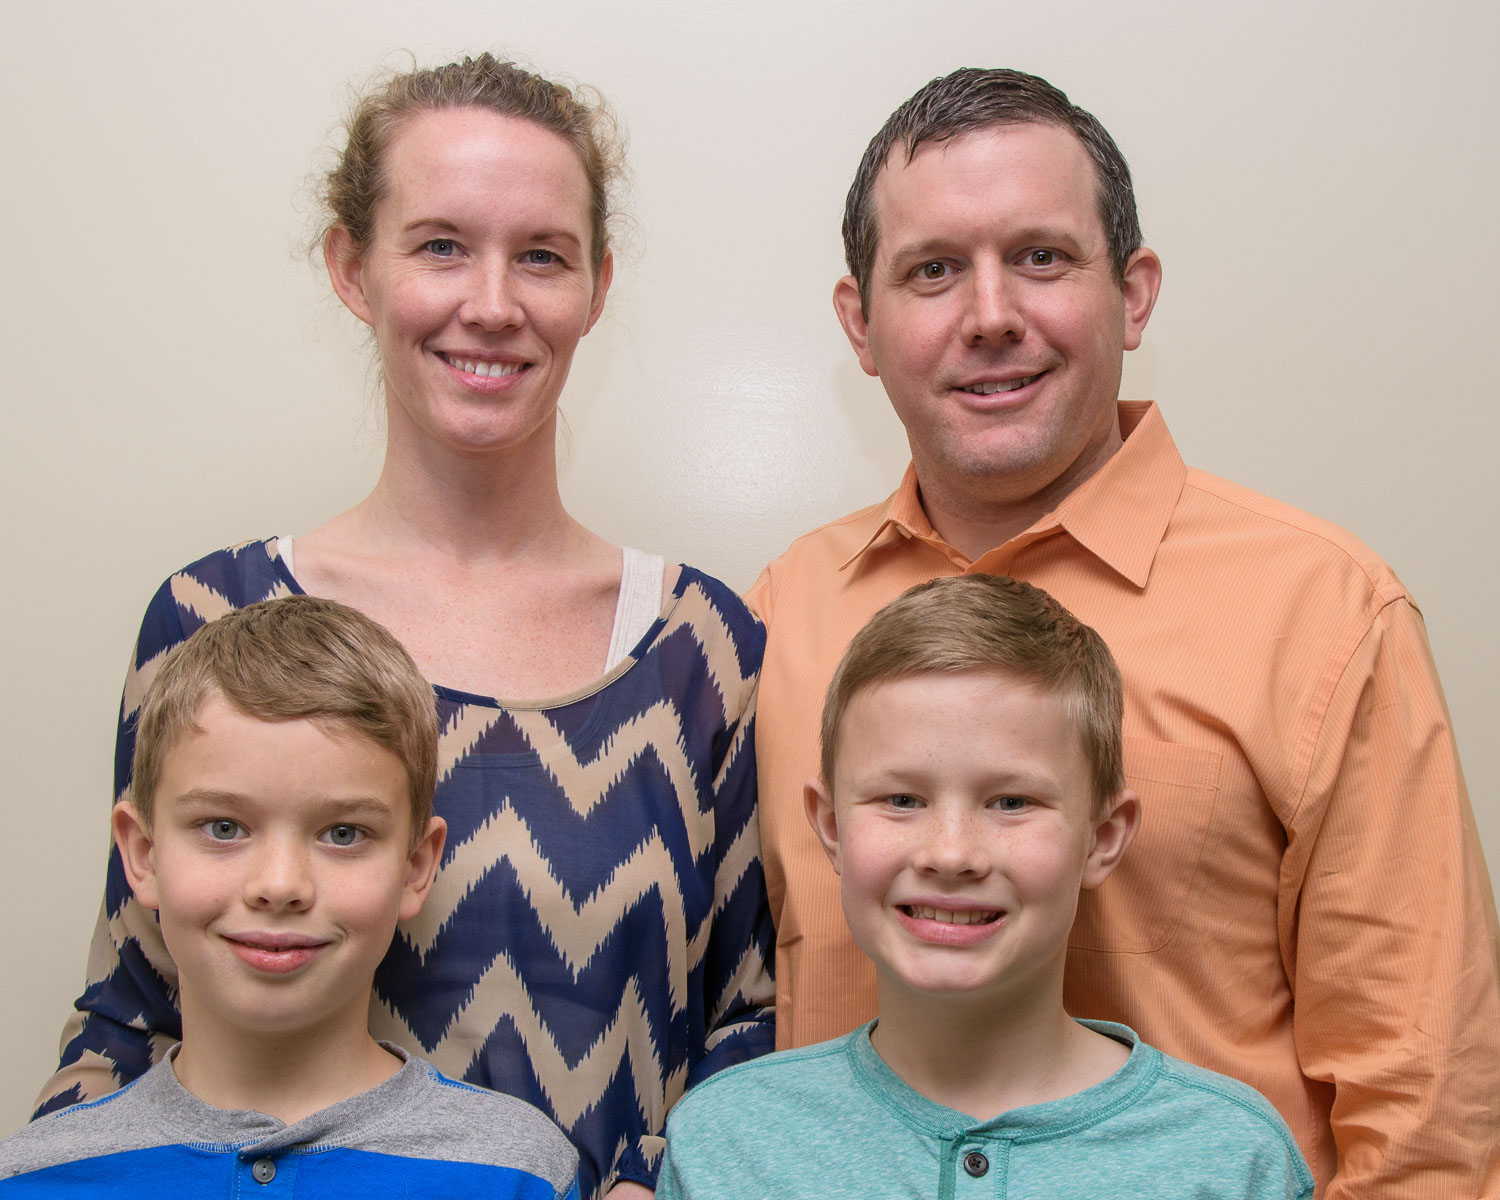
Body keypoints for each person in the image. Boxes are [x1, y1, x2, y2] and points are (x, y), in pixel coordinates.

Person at [748, 67, 1500, 1198]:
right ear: (862, 323)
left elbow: (1425, 1124)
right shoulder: (781, 615)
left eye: (1041, 257)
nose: (990, 315)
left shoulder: (1323, 613)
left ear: (1134, 295)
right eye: (933, 269)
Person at [37, 54, 773, 1200]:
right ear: (353, 266)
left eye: (542, 255)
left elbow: (757, 1024)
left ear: (597, 286)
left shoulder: (705, 650)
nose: (493, 303)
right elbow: (129, 1014)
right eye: (440, 246)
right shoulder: (209, 621)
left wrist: (659, 1181)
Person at [659, 576, 1314, 1200]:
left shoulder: (1232, 1157)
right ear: (831, 827)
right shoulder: (725, 1143)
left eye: (1011, 802)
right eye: (902, 800)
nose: (951, 854)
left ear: (1103, 837)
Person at [2, 596, 580, 1198]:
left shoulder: (522, 1174)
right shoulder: (32, 1177)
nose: (280, 886)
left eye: (343, 834)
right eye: (223, 827)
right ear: (143, 854)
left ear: (415, 867)